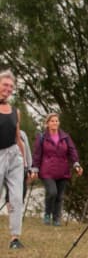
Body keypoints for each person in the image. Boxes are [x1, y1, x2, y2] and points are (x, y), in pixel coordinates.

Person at [30, 113, 83, 226]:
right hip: (47, 171)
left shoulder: (65, 137)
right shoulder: (42, 137)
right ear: (47, 123)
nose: (55, 123)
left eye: (56, 121)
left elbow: (72, 151)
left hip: (62, 170)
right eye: (52, 121)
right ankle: (47, 215)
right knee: (52, 192)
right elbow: (37, 154)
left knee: (59, 195)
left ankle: (56, 218)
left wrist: (76, 164)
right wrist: (34, 169)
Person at [0, 71, 28, 248]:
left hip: (13, 155)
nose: (8, 89)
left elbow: (18, 137)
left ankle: (15, 238)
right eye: (5, 85)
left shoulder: (15, 111)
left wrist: (25, 163)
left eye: (11, 86)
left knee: (17, 197)